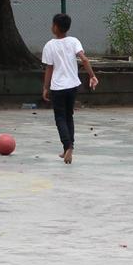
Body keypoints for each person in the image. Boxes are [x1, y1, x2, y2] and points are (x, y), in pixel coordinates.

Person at [41, 12, 99, 165]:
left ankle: (67, 146)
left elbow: (49, 68)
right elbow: (84, 59)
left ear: (55, 27)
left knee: (60, 117)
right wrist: (92, 76)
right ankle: (69, 147)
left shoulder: (49, 45)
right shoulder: (74, 41)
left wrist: (46, 87)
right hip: (73, 85)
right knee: (69, 116)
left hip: (58, 87)